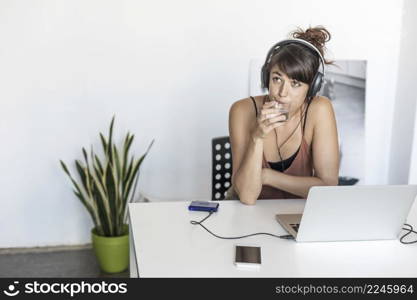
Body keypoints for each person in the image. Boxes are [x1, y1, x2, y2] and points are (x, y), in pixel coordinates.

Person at [228, 26, 339, 205]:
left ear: (312, 87)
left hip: (299, 214)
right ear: (266, 78)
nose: (282, 93)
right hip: (248, 214)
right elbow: (247, 197)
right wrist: (257, 137)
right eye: (277, 79)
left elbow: (328, 185)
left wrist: (267, 176)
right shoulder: (242, 110)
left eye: (295, 83)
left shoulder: (319, 109)